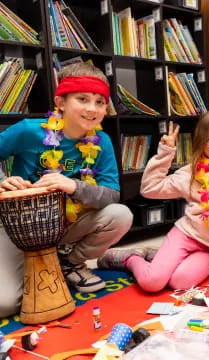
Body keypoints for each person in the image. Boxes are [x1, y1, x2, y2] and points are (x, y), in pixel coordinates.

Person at [0, 62, 133, 317]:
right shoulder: (28, 130)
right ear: (61, 102)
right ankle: (32, 264)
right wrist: (2, 181)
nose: (92, 109)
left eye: (100, 102)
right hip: (18, 227)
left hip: (67, 223)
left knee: (120, 215)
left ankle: (67, 263)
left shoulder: (101, 141)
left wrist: (74, 186)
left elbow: (112, 193)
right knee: (6, 304)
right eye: (82, 99)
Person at [97, 109, 209, 291]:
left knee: (179, 283)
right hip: (188, 235)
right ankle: (130, 258)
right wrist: (165, 153)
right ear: (200, 141)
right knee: (152, 283)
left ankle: (158, 256)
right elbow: (150, 189)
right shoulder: (190, 173)